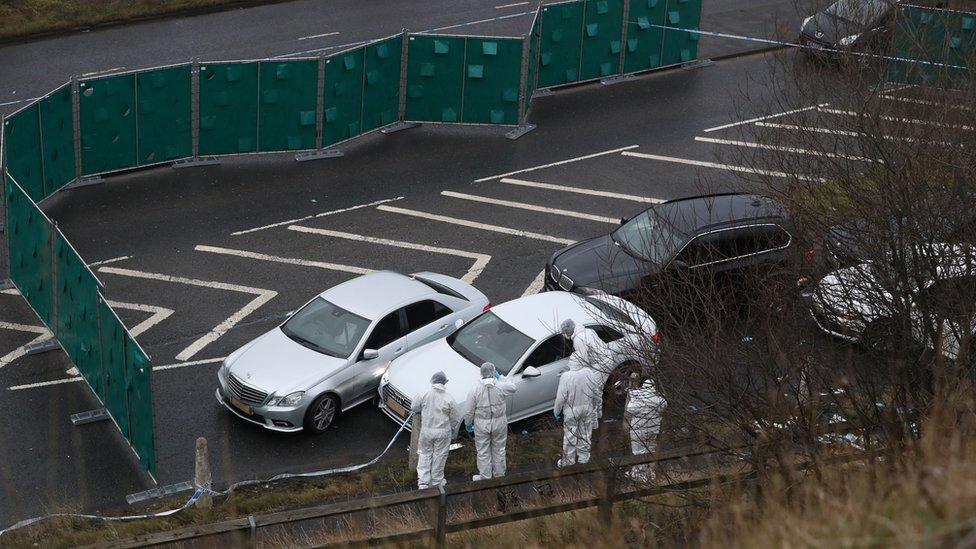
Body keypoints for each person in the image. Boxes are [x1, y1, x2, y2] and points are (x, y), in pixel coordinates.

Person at [463, 362, 518, 481]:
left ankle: (485, 477)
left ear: (481, 373)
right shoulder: (501, 386)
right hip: (499, 423)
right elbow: (513, 387)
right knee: (499, 449)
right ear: (494, 372)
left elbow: (469, 410)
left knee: (483, 451)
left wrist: (468, 423)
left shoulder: (475, 389)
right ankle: (499, 476)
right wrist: (501, 377)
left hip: (481, 424)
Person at [412, 371, 461, 490]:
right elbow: (456, 417)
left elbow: (414, 407)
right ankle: (437, 482)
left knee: (424, 454)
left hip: (426, 431)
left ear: (432, 380)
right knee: (440, 456)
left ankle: (423, 483)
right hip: (443, 432)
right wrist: (452, 427)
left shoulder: (424, 393)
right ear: (445, 382)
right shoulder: (449, 398)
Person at [561, 319, 613, 422]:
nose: (565, 335)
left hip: (601, 364)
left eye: (565, 333)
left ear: (569, 331)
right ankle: (596, 414)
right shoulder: (588, 330)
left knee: (594, 391)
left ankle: (594, 418)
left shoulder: (578, 340)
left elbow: (583, 360)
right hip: (604, 359)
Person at [553, 349, 598, 467]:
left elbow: (560, 397)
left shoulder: (566, 376)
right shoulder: (589, 372)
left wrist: (556, 411)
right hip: (587, 408)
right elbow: (595, 392)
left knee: (570, 436)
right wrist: (595, 408)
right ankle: (584, 458)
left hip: (571, 411)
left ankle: (568, 461)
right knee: (585, 434)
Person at [625, 375, 666, 482]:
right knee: (650, 451)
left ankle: (639, 475)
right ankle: (650, 474)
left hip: (638, 431)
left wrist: (633, 398)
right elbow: (664, 405)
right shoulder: (659, 400)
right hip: (653, 430)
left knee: (638, 452)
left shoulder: (639, 400)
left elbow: (630, 409)